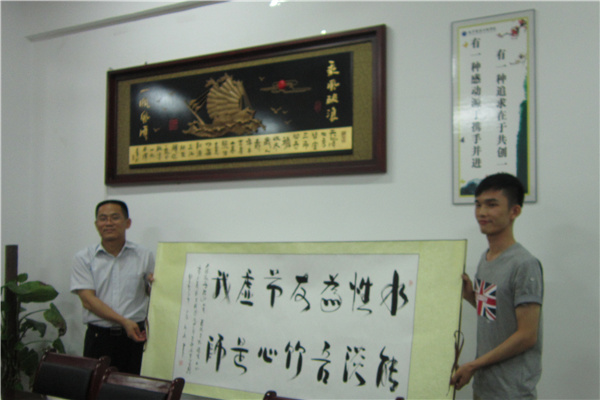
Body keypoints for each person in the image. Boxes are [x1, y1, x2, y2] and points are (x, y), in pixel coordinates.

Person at [451, 173, 543, 399]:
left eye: (492, 205)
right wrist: (470, 295)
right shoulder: (486, 258)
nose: (482, 212)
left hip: (512, 392)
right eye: (478, 204)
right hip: (484, 388)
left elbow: (527, 335)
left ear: (514, 211)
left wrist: (473, 365)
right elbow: (497, 313)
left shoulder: (524, 264)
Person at [70, 200, 154, 374]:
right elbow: (88, 301)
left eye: (115, 217)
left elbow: (151, 293)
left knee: (133, 387)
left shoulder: (144, 255)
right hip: (99, 338)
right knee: (97, 387)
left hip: (135, 338)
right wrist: (123, 322)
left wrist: (155, 286)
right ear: (96, 224)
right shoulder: (84, 258)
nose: (108, 223)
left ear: (127, 223)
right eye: (103, 218)